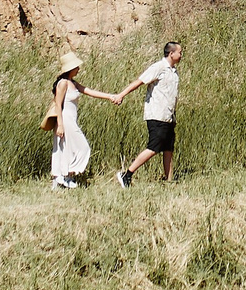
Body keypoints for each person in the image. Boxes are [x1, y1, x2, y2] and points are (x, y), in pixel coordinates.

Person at [113, 41, 183, 187]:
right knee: (154, 147)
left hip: (169, 115)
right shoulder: (158, 67)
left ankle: (169, 181)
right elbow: (139, 81)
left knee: (168, 148)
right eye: (179, 52)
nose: (181, 55)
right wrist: (122, 94)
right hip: (157, 114)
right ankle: (127, 174)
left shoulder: (173, 71)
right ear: (171, 53)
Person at [44, 52, 118, 189]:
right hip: (65, 119)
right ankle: (66, 175)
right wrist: (60, 124)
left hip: (71, 119)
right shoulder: (62, 83)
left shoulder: (73, 83)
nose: (78, 68)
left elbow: (89, 91)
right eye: (76, 66)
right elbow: (58, 105)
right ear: (70, 68)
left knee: (66, 148)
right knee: (83, 147)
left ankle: (62, 178)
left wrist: (110, 96)